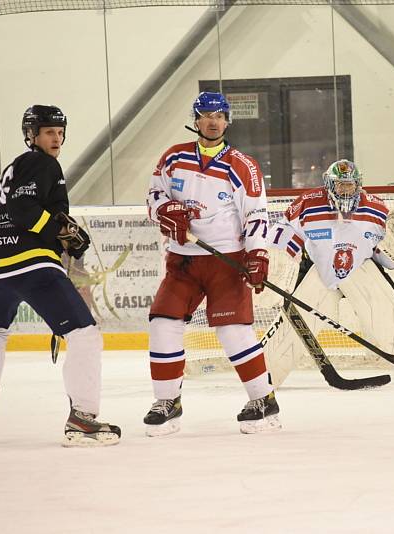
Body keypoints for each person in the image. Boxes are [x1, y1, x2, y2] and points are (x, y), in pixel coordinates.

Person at [0, 105, 120, 447]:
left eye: (60, 132)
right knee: (85, 335)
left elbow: (17, 209)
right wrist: (57, 232)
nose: (56, 138)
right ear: (32, 135)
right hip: (31, 265)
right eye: (48, 132)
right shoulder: (43, 163)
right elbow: (23, 210)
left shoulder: (17, 166)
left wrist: (66, 240)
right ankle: (82, 419)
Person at [144, 91, 279, 436]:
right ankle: (167, 401)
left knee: (233, 330)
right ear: (196, 119)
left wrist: (257, 254)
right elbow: (154, 194)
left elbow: (256, 214)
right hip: (183, 261)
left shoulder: (242, 165)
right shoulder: (174, 158)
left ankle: (263, 400)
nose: (213, 122)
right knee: (163, 323)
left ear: (227, 121)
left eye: (219, 116)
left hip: (226, 260)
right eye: (206, 116)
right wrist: (164, 210)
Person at [263, 159, 394, 387]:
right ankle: (267, 374)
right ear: (329, 184)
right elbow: (285, 228)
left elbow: (385, 256)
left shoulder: (376, 208)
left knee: (383, 309)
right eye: (340, 184)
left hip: (360, 270)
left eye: (350, 184)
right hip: (320, 271)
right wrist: (278, 259)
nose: (345, 189)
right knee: (297, 319)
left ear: (358, 184)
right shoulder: (309, 203)